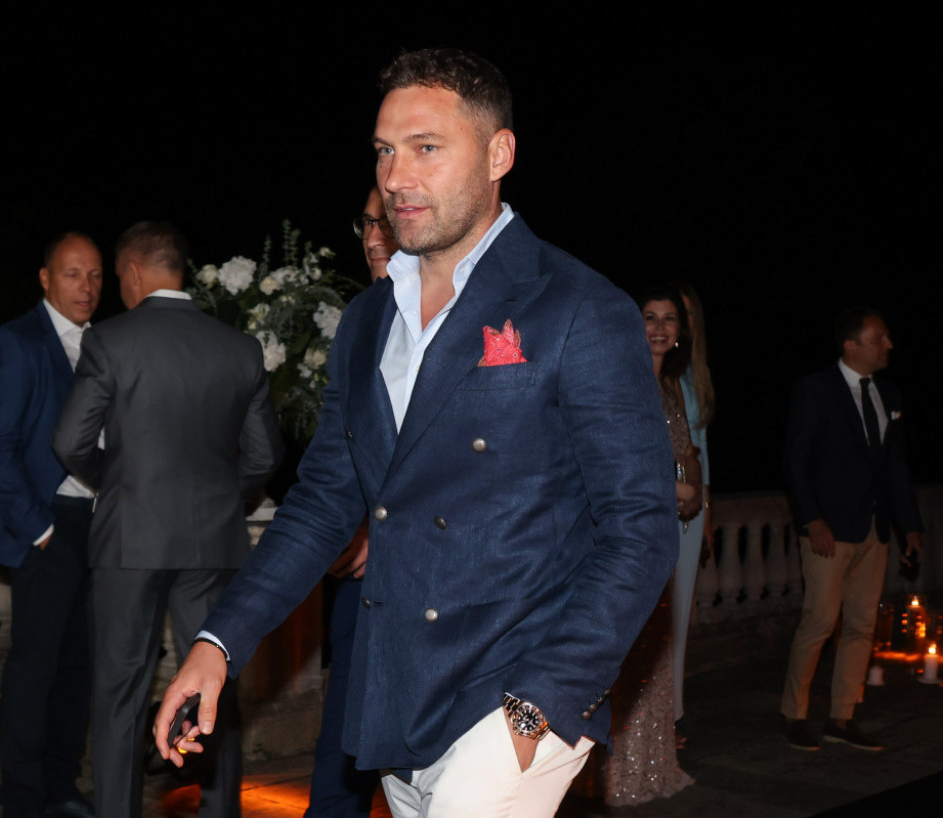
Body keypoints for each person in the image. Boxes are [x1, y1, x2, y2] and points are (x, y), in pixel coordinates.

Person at [155, 48, 679, 818]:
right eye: (384, 151)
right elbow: (322, 504)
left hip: (513, 695)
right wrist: (219, 642)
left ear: (498, 154)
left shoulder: (578, 308)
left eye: (426, 147)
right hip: (401, 693)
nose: (396, 176)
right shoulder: (368, 321)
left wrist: (540, 706)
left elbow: (641, 526)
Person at [52, 221, 283, 818]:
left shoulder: (111, 341)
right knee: (212, 688)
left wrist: (118, 484)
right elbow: (264, 457)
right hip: (211, 542)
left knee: (120, 692)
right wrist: (219, 498)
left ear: (132, 272)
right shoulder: (239, 348)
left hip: (130, 538)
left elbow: (70, 441)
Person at [0, 232, 102, 818]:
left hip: (97, 524)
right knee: (34, 673)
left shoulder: (104, 343)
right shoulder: (15, 342)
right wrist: (39, 529)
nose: (86, 286)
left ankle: (61, 787)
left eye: (95, 275)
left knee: (78, 669)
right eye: (73, 274)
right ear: (46, 279)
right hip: (47, 526)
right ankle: (23, 799)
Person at [780, 307, 922, 751]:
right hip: (830, 529)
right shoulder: (815, 389)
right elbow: (796, 460)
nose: (888, 345)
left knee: (862, 625)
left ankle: (841, 717)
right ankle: (794, 714)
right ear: (851, 344)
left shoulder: (889, 393)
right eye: (880, 338)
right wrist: (812, 520)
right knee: (820, 621)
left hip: (874, 529)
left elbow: (895, 466)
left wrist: (910, 527)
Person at [304, 190, 400, 818]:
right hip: (358, 584)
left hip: (438, 595)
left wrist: (378, 529)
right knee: (344, 733)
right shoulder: (362, 322)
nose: (371, 237)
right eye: (366, 222)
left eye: (383, 222)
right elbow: (339, 459)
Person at [596, 287, 699, 806]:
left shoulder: (670, 390)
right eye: (649, 317)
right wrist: (678, 490)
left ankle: (649, 765)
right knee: (624, 647)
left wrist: (692, 487)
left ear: (680, 332)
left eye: (669, 319)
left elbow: (687, 456)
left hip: (660, 536)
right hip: (626, 536)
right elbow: (614, 465)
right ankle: (612, 773)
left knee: (654, 650)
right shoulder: (622, 382)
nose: (659, 327)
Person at [670, 280, 715, 738]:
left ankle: (674, 712)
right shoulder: (654, 370)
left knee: (680, 614)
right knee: (656, 617)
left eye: (686, 312)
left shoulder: (694, 377)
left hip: (693, 507)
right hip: (662, 502)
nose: (679, 322)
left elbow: (702, 449)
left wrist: (707, 515)